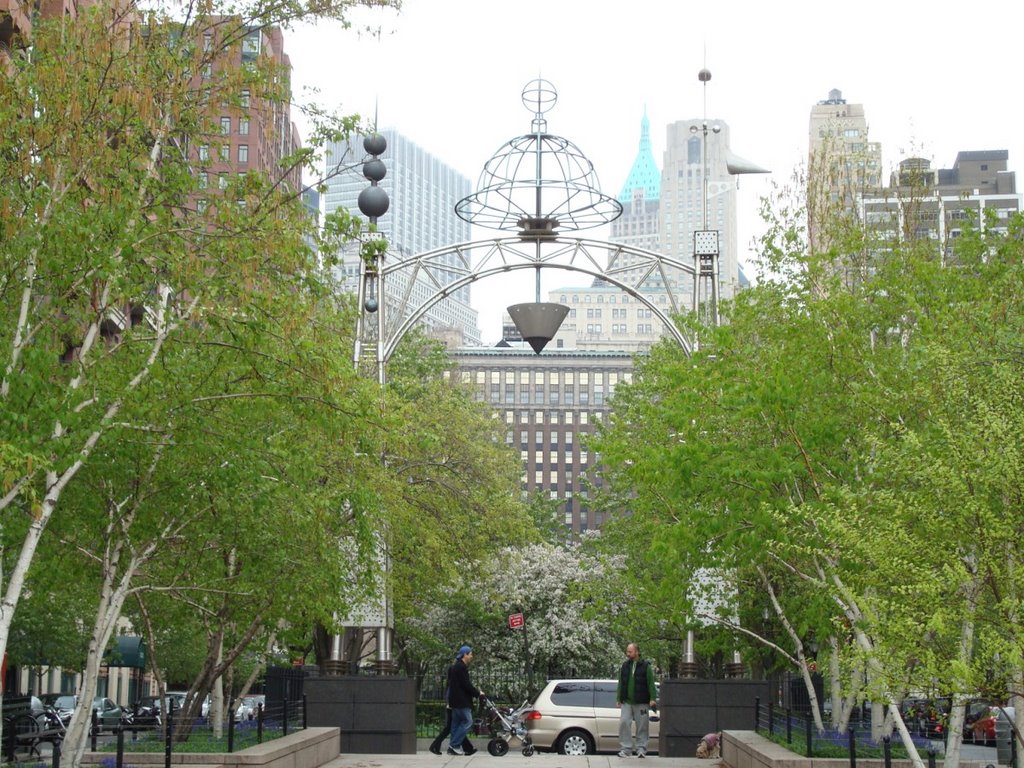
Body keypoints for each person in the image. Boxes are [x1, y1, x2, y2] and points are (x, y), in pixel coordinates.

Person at [616, 642, 658, 758]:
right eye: (627, 651)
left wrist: (653, 698)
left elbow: (651, 683)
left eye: (630, 651)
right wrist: (619, 698)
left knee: (642, 725)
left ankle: (641, 749)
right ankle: (626, 749)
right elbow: (621, 682)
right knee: (624, 723)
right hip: (627, 701)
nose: (627, 653)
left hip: (642, 701)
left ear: (637, 652)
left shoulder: (646, 666)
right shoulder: (625, 666)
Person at [446, 645, 485, 756]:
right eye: (470, 654)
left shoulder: (454, 667)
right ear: (465, 654)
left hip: (454, 701)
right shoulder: (461, 667)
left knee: (456, 724)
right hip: (462, 701)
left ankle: (453, 748)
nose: (472, 656)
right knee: (468, 722)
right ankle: (454, 745)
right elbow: (466, 685)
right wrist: (478, 693)